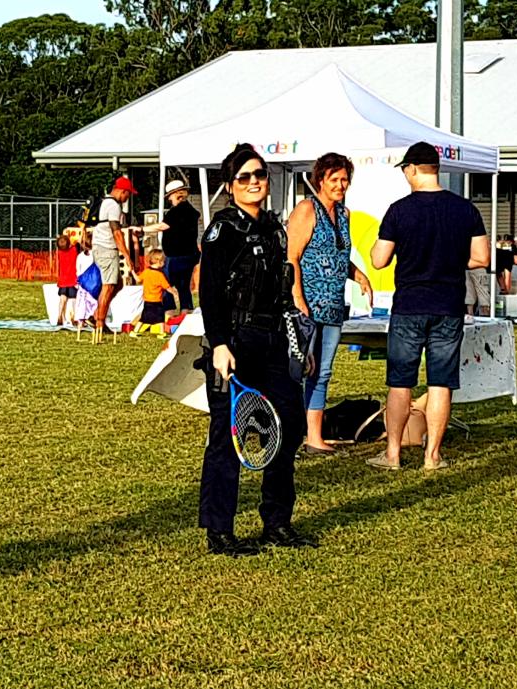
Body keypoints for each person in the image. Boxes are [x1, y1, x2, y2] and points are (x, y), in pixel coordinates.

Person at [198, 144, 312, 556]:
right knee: (227, 439)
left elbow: (282, 295)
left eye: (259, 174)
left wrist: (297, 344)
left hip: (274, 341)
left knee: (289, 427)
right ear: (230, 186)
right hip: (235, 340)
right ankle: (219, 530)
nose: (254, 183)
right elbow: (208, 293)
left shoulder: (273, 229)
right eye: (244, 177)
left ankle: (277, 521)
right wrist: (220, 345)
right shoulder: (222, 231)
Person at [369, 141, 489, 471]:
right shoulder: (466, 210)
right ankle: (432, 456)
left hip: (409, 305)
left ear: (412, 169)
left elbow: (379, 260)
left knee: (400, 382)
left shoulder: (399, 210)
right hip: (449, 304)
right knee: (441, 382)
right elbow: (482, 258)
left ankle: (393, 454)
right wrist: (449, 259)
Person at [286, 152, 373, 455]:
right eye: (334, 179)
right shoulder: (307, 210)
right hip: (307, 306)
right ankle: (289, 434)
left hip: (334, 307)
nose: (340, 185)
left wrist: (358, 275)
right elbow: (292, 257)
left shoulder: (345, 215)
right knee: (298, 371)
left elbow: (337, 255)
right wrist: (298, 299)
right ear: (320, 180)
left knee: (322, 373)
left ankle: (313, 437)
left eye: (345, 179)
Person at [90, 177, 138, 334]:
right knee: (109, 286)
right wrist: (127, 256)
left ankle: (96, 315)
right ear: (123, 191)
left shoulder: (106, 202)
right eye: (128, 195)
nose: (127, 199)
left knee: (117, 284)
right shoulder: (113, 206)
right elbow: (117, 233)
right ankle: (100, 323)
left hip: (100, 246)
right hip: (107, 248)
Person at [159, 179, 200, 311]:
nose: (170, 199)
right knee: (184, 286)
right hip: (190, 254)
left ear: (176, 194)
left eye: (170, 196)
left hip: (176, 255)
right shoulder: (191, 211)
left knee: (165, 284)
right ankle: (185, 311)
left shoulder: (176, 212)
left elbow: (163, 226)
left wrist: (142, 229)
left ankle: (169, 312)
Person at [133, 249, 179, 331]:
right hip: (157, 301)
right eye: (163, 261)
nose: (164, 263)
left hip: (147, 300)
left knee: (144, 318)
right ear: (159, 262)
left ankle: (135, 331)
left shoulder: (146, 272)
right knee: (161, 317)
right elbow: (167, 287)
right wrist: (174, 293)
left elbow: (138, 279)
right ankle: (161, 332)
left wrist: (132, 271)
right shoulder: (160, 275)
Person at [55, 234, 78, 325]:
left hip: (63, 280)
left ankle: (60, 315)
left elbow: (61, 243)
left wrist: (59, 238)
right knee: (73, 299)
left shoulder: (60, 252)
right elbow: (77, 242)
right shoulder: (74, 250)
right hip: (72, 279)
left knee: (62, 298)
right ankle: (74, 317)